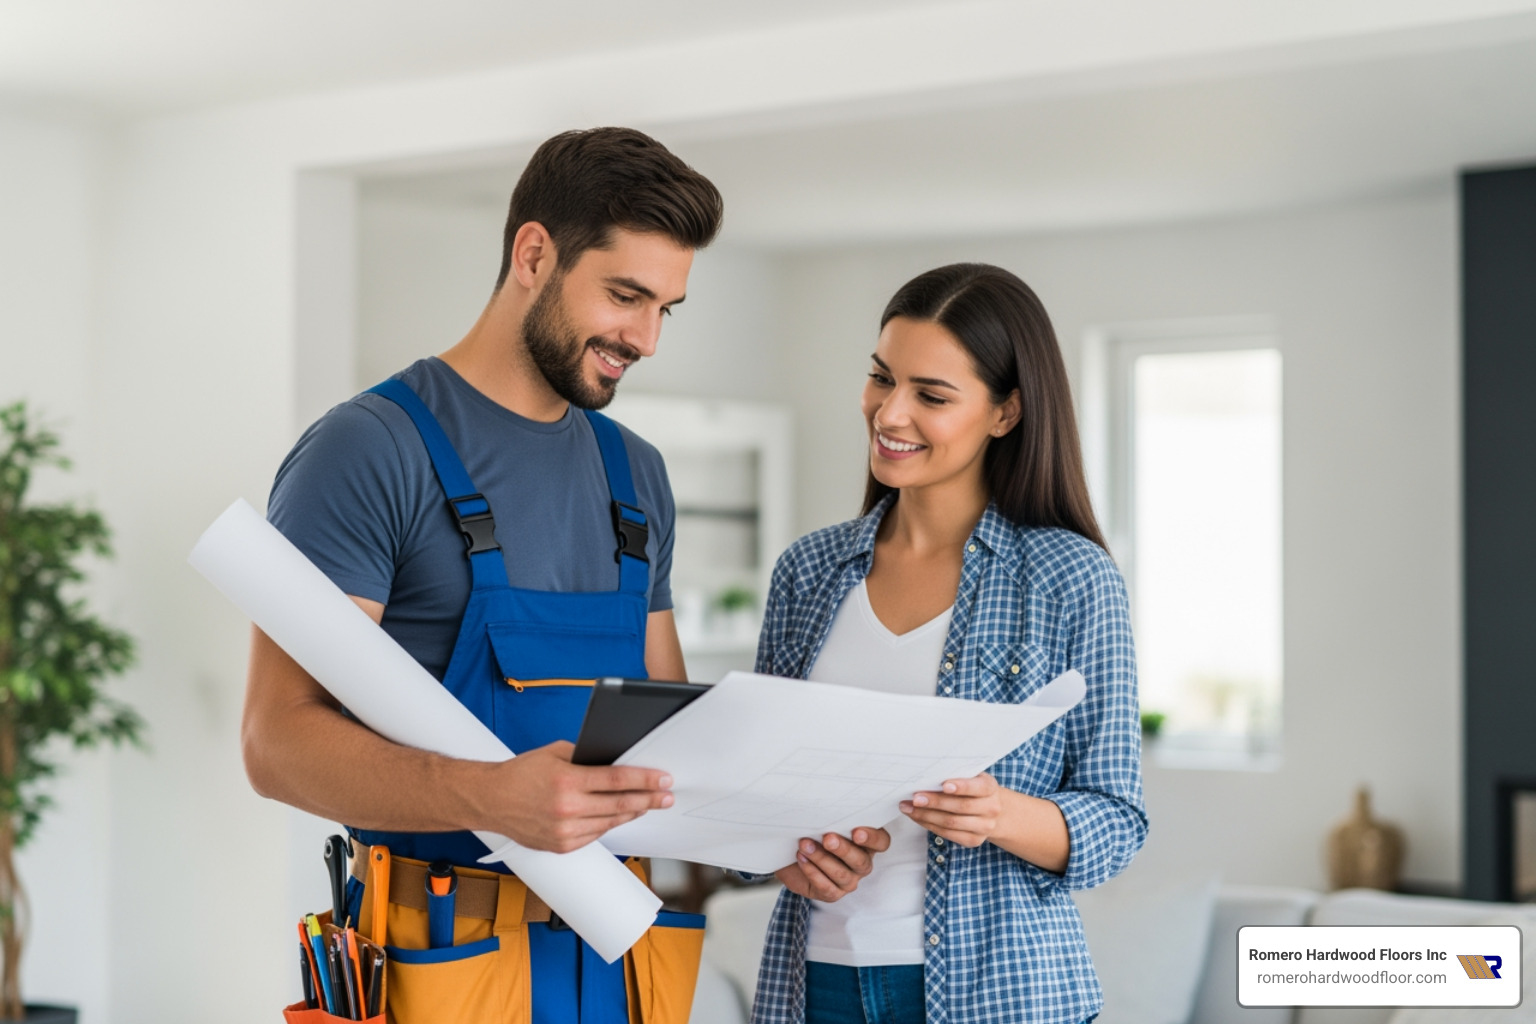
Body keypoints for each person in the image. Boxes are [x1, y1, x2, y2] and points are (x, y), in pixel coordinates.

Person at [240, 127, 723, 1023]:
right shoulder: (369, 451)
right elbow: (275, 744)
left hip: (618, 963)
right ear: (533, 253)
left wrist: (779, 831)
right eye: (625, 296)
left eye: (667, 307)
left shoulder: (637, 475)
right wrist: (490, 797)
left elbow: (667, 726)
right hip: (444, 962)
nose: (646, 338)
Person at [749, 264, 1147, 1024]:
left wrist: (999, 814)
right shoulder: (807, 572)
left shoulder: (1071, 579)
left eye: (931, 396)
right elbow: (759, 798)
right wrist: (789, 858)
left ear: (1005, 413)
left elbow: (1116, 823)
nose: (890, 413)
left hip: (999, 993)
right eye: (880, 378)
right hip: (814, 987)